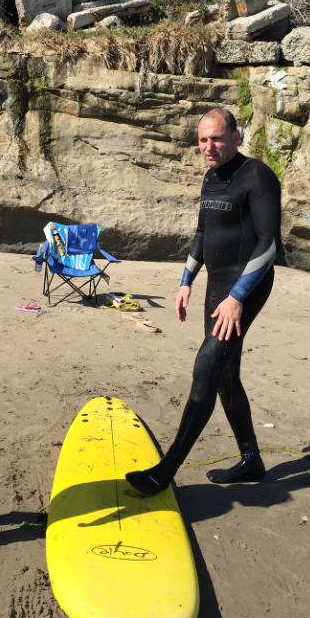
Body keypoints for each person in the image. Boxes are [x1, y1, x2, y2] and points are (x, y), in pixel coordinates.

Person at [126, 108, 282, 496]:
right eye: (202, 140)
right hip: (217, 284)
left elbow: (269, 244)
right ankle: (251, 461)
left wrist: (237, 298)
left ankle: (165, 470)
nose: (207, 147)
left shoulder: (257, 176)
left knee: (206, 364)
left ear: (235, 136)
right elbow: (201, 232)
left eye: (215, 138)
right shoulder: (211, 178)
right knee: (226, 374)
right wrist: (185, 282)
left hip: (247, 284)